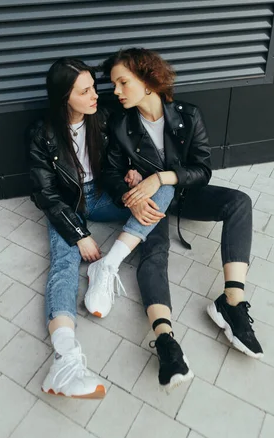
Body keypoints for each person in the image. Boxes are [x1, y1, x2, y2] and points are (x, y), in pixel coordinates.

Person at [28, 57, 191, 399]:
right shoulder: (41, 133)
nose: (95, 96)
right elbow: (46, 194)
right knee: (64, 261)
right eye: (84, 91)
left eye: (93, 88)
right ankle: (65, 358)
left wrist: (130, 179)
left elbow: (118, 164)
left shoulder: (104, 119)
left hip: (102, 197)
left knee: (162, 189)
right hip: (68, 206)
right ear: (64, 99)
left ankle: (109, 263)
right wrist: (79, 234)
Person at [101, 48, 263, 360]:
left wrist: (161, 177)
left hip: (186, 195)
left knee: (239, 202)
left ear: (148, 81)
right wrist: (129, 197)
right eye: (114, 85)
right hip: (149, 203)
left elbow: (202, 170)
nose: (116, 91)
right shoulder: (120, 124)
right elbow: (109, 173)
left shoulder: (188, 116)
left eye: (122, 82)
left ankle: (231, 302)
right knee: (154, 250)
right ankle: (164, 338)